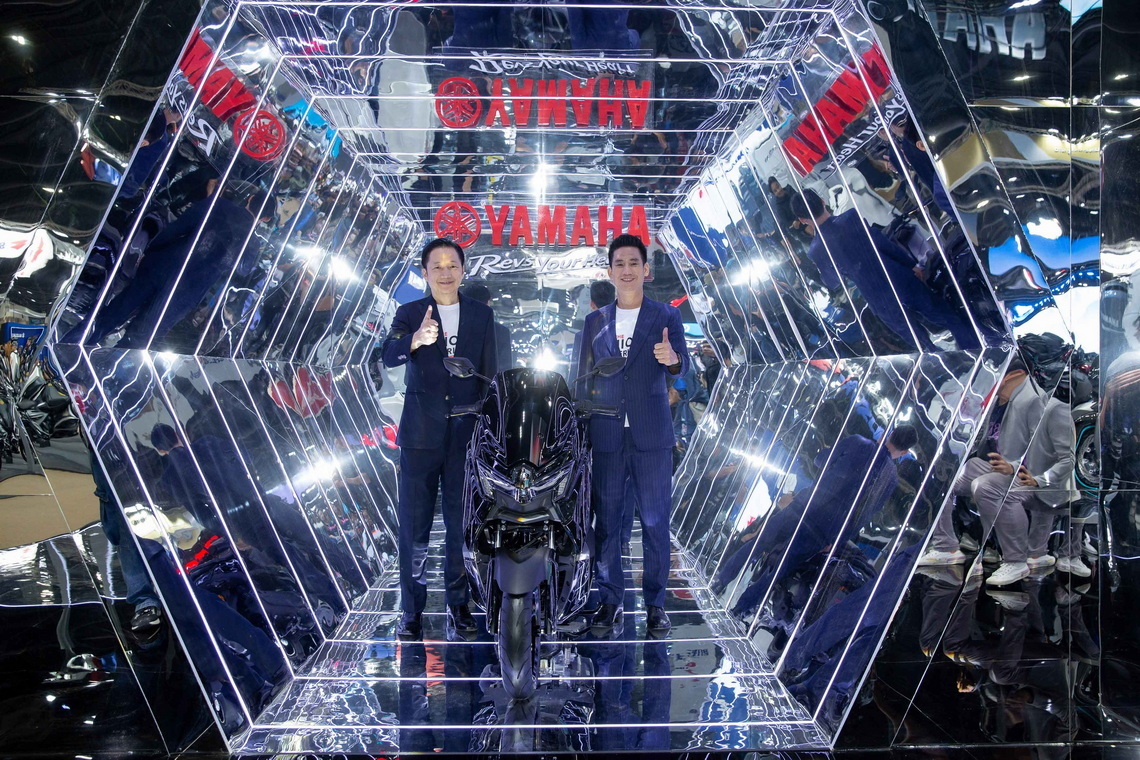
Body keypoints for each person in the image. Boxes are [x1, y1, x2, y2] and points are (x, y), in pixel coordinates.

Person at [381, 238, 498, 640]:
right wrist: (415, 339)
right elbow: (388, 354)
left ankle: (458, 604)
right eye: (437, 266)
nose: (445, 273)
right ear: (425, 273)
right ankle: (411, 610)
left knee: (460, 526)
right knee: (413, 528)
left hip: (465, 438)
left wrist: (487, 432)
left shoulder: (482, 314)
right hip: (419, 436)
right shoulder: (410, 312)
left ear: (463, 270)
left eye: (452, 265)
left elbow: (490, 376)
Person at [576, 233, 689, 636]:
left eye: (633, 263)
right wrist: (580, 431)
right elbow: (581, 379)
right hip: (606, 435)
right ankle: (610, 601)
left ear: (646, 269)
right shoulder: (595, 322)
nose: (626, 270)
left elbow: (682, 365)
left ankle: (656, 604)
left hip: (652, 436)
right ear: (610, 272)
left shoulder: (666, 316)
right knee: (606, 523)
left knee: (656, 524)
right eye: (619, 264)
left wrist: (672, 359)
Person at [720, 426, 917, 620]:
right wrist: (836, 541)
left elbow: (820, 460)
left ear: (890, 433)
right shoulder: (890, 479)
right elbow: (863, 516)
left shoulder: (858, 442)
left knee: (759, 543)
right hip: (825, 529)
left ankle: (720, 581)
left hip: (805, 506)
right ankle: (740, 609)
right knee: (780, 569)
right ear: (904, 452)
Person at [919, 355, 1079, 585]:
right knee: (942, 477)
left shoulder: (1050, 408)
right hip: (1004, 470)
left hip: (1037, 480)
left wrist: (1032, 477)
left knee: (986, 486)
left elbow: (1067, 460)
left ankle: (1015, 561)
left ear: (1014, 376)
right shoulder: (999, 404)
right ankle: (946, 547)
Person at [790, 188, 979, 352]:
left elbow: (833, 281)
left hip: (877, 296)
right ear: (823, 201)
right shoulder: (850, 217)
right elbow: (882, 243)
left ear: (803, 220)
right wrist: (910, 264)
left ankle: (956, 365)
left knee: (920, 341)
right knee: (944, 315)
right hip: (898, 276)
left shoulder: (816, 250)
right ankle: (975, 347)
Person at [83, 188, 271, 348]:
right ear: (265, 218)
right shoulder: (252, 243)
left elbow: (178, 227)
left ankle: (76, 345)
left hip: (164, 265)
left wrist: (151, 250)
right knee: (139, 338)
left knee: (116, 311)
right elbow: (243, 270)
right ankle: (96, 370)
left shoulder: (218, 205)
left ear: (250, 198)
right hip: (186, 291)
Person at [461, 282, 512, 371]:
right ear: (488, 303)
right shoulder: (502, 331)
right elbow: (505, 366)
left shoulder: (456, 328)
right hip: (490, 378)